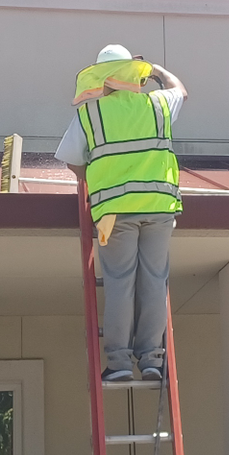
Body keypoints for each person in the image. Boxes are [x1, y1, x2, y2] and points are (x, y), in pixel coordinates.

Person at [55, 44, 188, 382]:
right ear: (133, 74)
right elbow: (180, 91)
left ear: (102, 79)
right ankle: (152, 360)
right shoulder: (157, 104)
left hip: (114, 212)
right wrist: (155, 70)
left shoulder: (91, 114)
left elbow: (73, 160)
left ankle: (118, 364)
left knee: (119, 283)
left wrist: (99, 178)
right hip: (158, 208)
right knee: (155, 282)